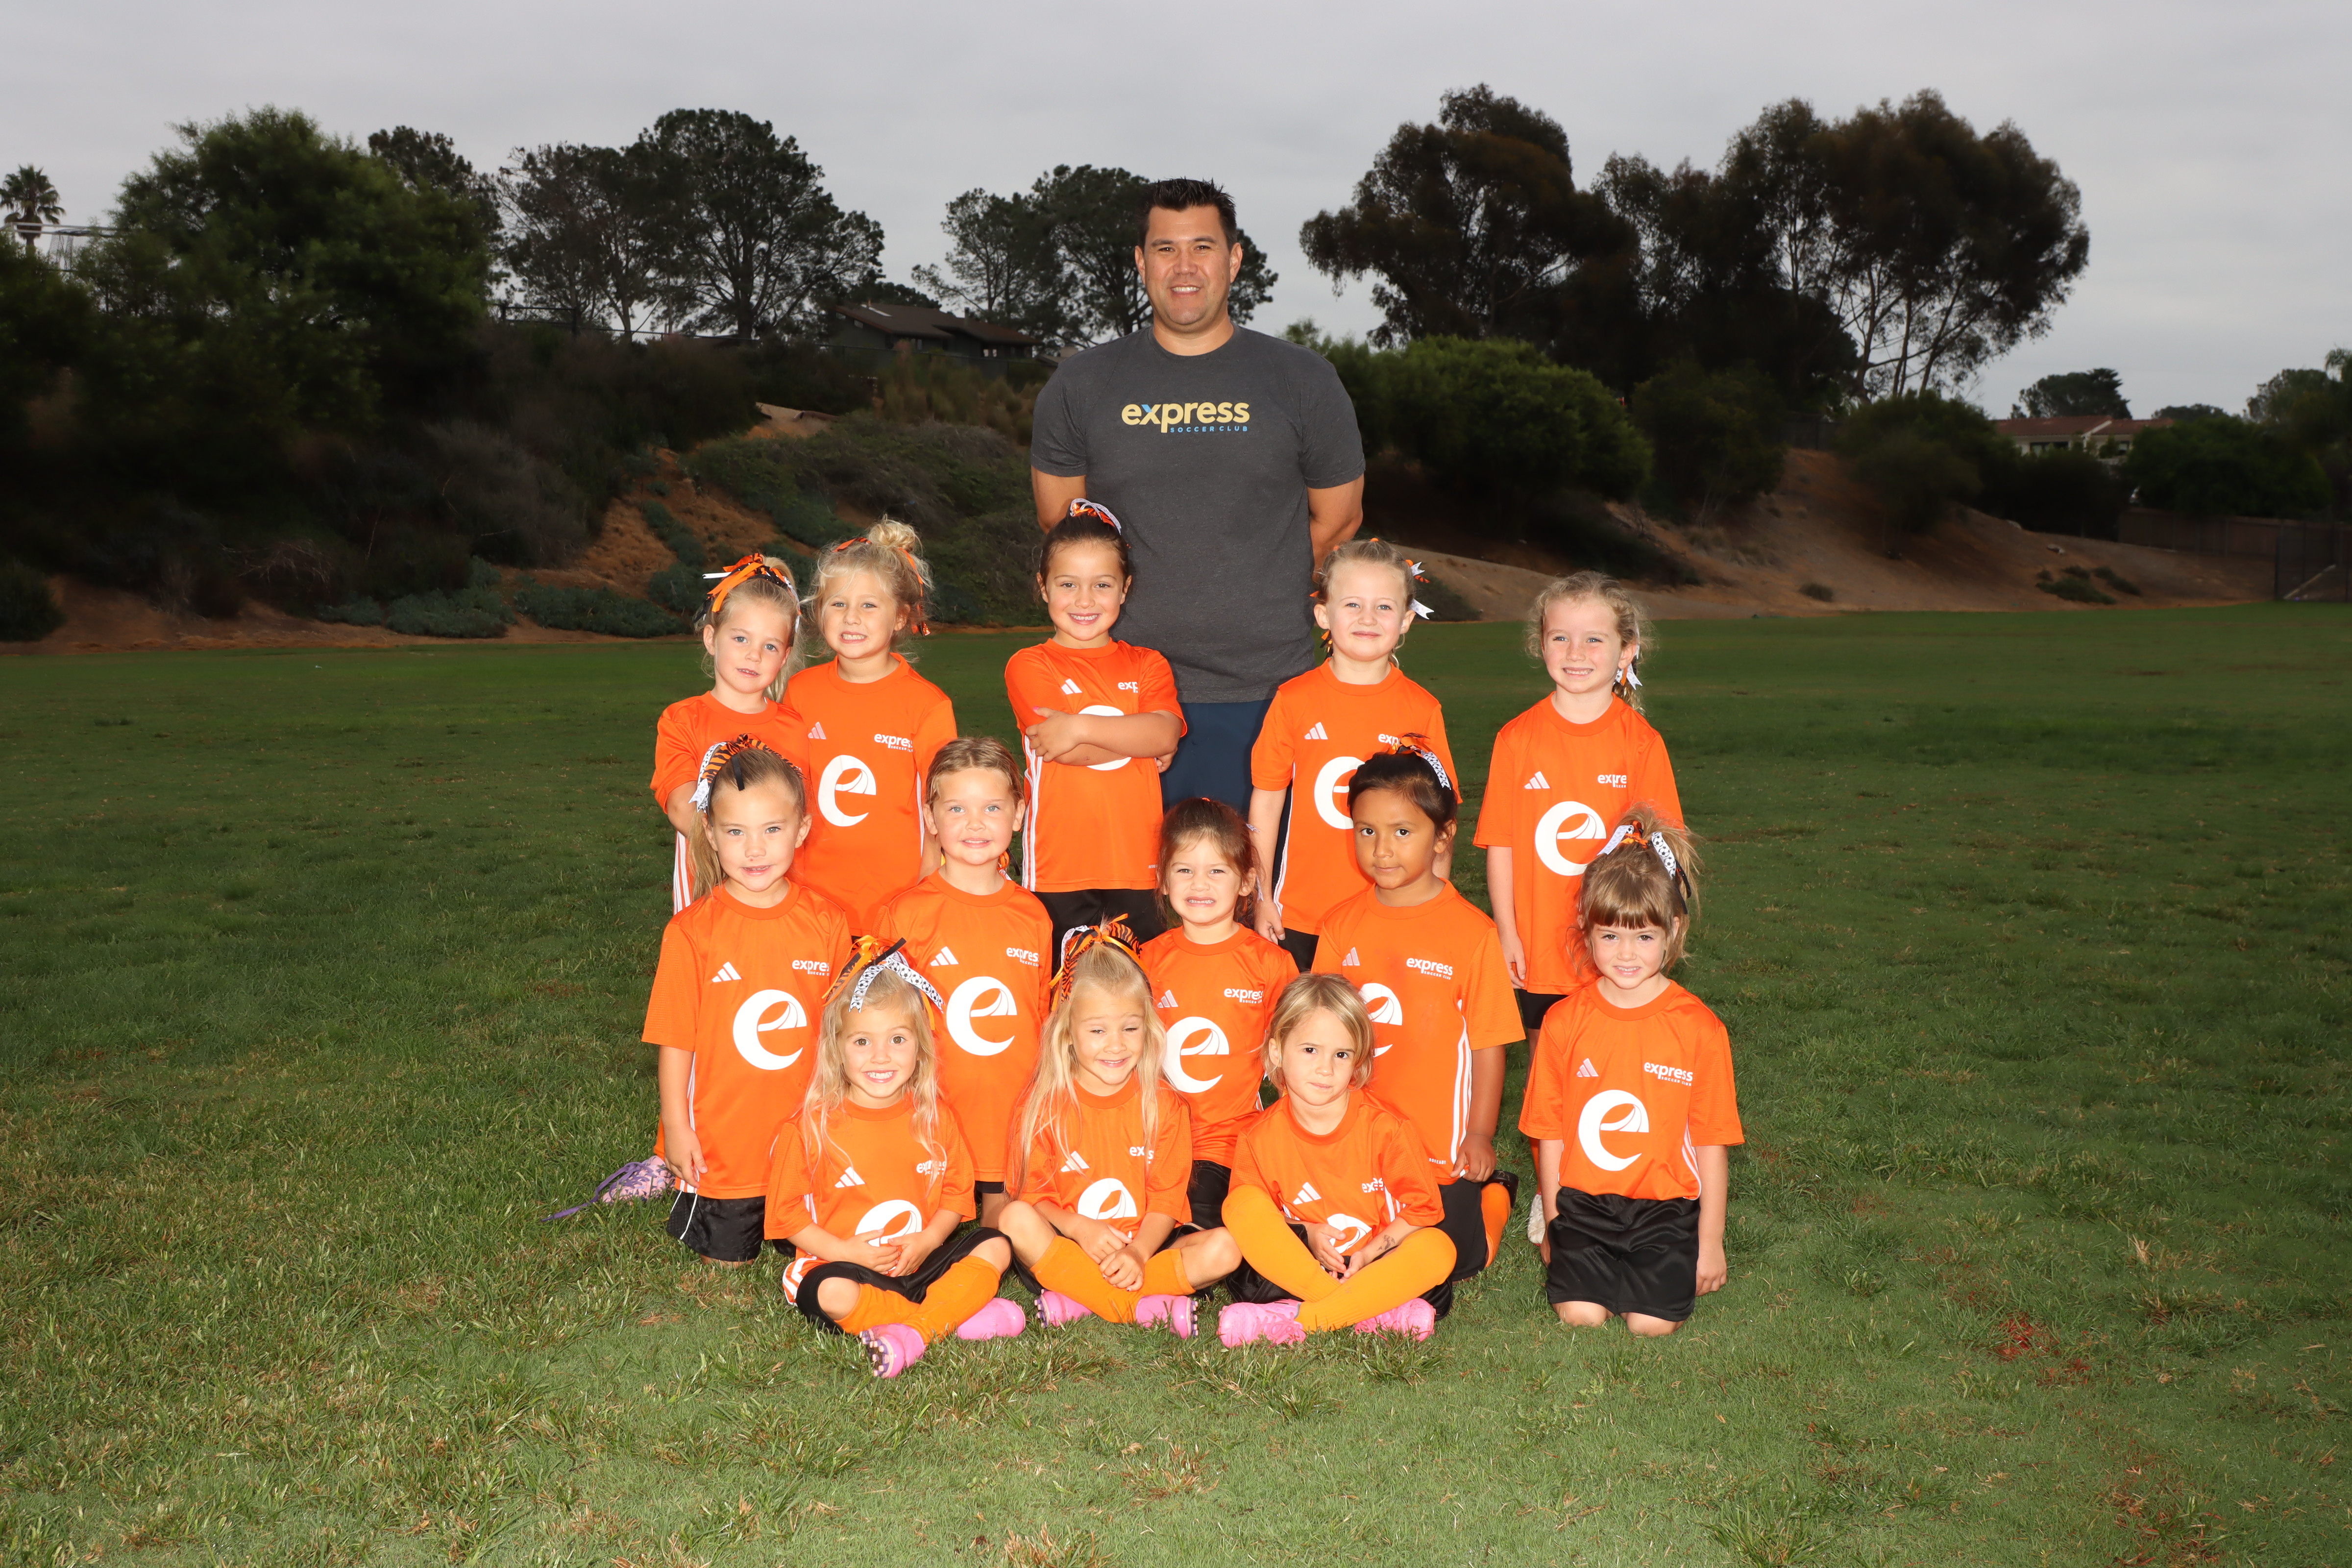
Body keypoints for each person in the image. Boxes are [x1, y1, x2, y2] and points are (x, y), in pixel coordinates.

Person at [1029, 177, 1366, 818]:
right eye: (1165, 249)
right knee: (1124, 882)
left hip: (1269, 689)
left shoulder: (1303, 381)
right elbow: (1061, 525)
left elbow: (1338, 520)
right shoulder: (1082, 384)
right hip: (1117, 697)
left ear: (1234, 260)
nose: (1184, 267)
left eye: (1203, 247)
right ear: (1141, 261)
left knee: (1254, 877)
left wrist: (1243, 596)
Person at [1519, 808, 1739, 1336]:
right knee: (1581, 1314)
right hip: (1584, 1204)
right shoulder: (1563, 1021)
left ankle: (1655, 1265)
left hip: (1664, 1209)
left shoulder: (1700, 1028)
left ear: (1673, 930)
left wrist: (1710, 1241)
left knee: (1651, 1325)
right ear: (1586, 930)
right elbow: (1548, 1132)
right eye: (1610, 935)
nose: (1625, 953)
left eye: (1643, 937)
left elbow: (1711, 1142)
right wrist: (1556, 1224)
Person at [767, 937, 1027, 1377]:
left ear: (920, 1047)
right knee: (829, 1293)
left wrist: (928, 1241)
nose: (881, 1056)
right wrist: (844, 1251)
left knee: (996, 1243)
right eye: (862, 1041)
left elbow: (956, 1195)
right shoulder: (811, 1128)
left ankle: (915, 1328)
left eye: (898, 1039)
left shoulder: (935, 1118)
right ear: (836, 1049)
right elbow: (785, 1216)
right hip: (847, 1265)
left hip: (920, 1262)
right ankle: (949, 1317)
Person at [1313, 744, 1522, 1288]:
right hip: (1356, 1141)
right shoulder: (1340, 925)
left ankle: (1494, 1198)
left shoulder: (1473, 934)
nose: (1382, 849)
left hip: (1435, 1150)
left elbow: (1489, 1046)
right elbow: (1315, 1031)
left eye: (1402, 832)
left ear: (1443, 837)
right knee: (1347, 1245)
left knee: (1455, 1260)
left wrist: (1479, 1134)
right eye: (1366, 831)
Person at [643, 739, 849, 1264]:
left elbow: (843, 1033)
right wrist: (677, 1128)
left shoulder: (828, 922)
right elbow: (675, 1040)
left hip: (809, 1147)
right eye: (736, 832)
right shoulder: (691, 932)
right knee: (727, 1264)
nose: (755, 849)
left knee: (830, 1253)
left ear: (802, 829)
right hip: (724, 1150)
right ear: (710, 833)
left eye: (772, 829)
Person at [997, 922, 1238, 1336]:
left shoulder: (1165, 1104)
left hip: (1144, 1248)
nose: (1116, 1045)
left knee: (1226, 1248)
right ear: (1067, 1033)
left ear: (1149, 1027)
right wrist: (1079, 1228)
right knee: (1014, 1218)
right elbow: (1034, 1198)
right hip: (1070, 1247)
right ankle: (1134, 1305)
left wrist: (1139, 1253)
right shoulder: (1041, 1105)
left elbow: (1166, 1201)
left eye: (1130, 1028)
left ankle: (1082, 1298)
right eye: (1098, 1031)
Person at [1477, 572, 1682, 1033]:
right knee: (1546, 1055)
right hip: (1539, 945)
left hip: (1616, 945)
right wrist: (1507, 932)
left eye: (1593, 639)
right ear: (1541, 645)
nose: (1575, 653)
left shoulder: (1641, 744)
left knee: (1613, 1054)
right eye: (1560, 638)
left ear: (1625, 652)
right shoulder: (1516, 739)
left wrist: (1648, 937)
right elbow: (1501, 846)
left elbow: (1663, 856)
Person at [1248, 538, 1455, 969]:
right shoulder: (1293, 700)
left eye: (1384, 607)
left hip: (1389, 908)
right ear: (1323, 615)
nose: (1368, 618)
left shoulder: (1421, 709)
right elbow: (1266, 803)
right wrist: (1262, 897)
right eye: (1353, 605)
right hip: (1301, 913)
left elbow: (1440, 819)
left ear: (1406, 620)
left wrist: (1431, 905)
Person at [1217, 973, 1456, 1344]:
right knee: (1240, 1206)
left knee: (1437, 1250)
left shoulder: (1387, 1127)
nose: (1326, 1068)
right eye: (1310, 1050)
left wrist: (1369, 1254)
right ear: (1277, 1051)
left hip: (1374, 1263)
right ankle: (1370, 1311)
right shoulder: (1258, 1137)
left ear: (1357, 1061)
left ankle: (1304, 1319)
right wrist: (1307, 1233)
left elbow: (1424, 1210)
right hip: (1301, 1265)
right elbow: (1256, 1220)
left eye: (1341, 1055)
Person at [875, 739, 1054, 1228]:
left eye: (992, 808)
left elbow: (1039, 1017)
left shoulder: (1033, 915)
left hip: (1008, 1120)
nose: (975, 824)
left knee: (1006, 1236)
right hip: (930, 1119)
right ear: (930, 818)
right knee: (917, 1233)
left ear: (1019, 814)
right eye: (957, 808)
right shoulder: (906, 914)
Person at [1004, 501, 1185, 950]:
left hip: (1137, 864)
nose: (1085, 601)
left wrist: (1080, 725)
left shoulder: (1147, 663)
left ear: (1124, 590)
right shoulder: (1030, 665)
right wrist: (1139, 737)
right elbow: (1064, 750)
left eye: (1102, 585)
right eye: (1068, 584)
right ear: (1043, 587)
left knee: (1138, 982)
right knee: (1065, 984)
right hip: (1059, 868)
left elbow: (1165, 733)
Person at [786, 522, 957, 932]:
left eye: (868, 605)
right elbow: (785, 787)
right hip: (811, 899)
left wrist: (929, 878)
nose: (851, 618)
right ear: (819, 612)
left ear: (900, 617)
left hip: (896, 902)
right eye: (838, 603)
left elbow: (945, 801)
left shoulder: (928, 705)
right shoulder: (801, 691)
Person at [1139, 798, 1296, 1232]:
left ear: (1246, 882)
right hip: (1152, 1141)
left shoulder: (1270, 965)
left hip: (1228, 1146)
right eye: (1184, 870)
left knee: (1210, 1230)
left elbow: (1294, 1062)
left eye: (1216, 871)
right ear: (1163, 880)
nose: (1199, 884)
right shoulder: (1144, 961)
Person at [648, 554, 809, 912]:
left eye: (770, 646)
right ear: (711, 638)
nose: (754, 655)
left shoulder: (796, 727)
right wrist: (743, 848)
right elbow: (680, 806)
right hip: (709, 898)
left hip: (784, 897)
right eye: (740, 638)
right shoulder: (683, 720)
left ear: (784, 657)